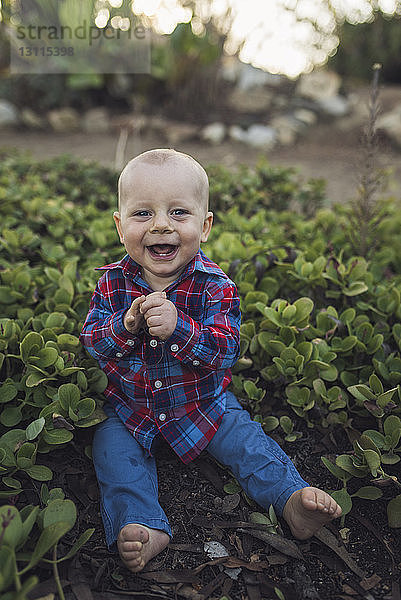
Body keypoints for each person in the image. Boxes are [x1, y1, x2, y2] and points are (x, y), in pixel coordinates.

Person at [80, 148, 341, 573]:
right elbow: (92, 342)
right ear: (119, 224)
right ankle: (143, 523)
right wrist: (125, 325)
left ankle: (291, 500)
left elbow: (224, 352)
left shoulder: (214, 286)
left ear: (204, 226)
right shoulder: (111, 282)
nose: (161, 224)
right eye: (143, 213)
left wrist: (180, 328)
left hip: (203, 407)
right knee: (111, 455)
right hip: (130, 409)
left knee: (249, 444)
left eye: (178, 213)